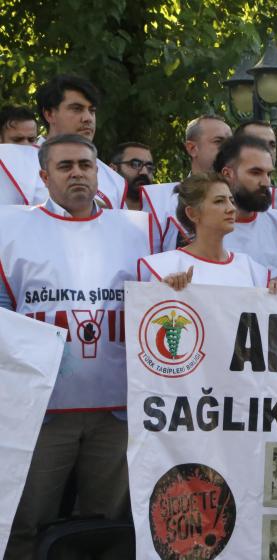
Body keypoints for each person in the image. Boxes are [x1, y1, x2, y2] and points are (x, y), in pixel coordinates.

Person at [0, 134, 155, 558]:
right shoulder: (10, 228)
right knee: (24, 522)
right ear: (44, 176)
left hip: (117, 409)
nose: (77, 174)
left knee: (106, 524)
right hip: (39, 412)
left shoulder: (139, 231)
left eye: (85, 165)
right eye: (65, 166)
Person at [136, 172, 277, 291]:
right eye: (219, 201)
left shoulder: (253, 270)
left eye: (231, 201)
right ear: (193, 213)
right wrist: (165, 291)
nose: (231, 208)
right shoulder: (163, 267)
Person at [0, 75, 126, 207]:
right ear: (49, 114)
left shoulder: (115, 180)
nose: (88, 118)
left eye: (92, 111)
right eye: (77, 109)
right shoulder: (11, 165)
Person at [141, 114, 232, 251]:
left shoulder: (244, 198)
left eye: (231, 143)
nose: (228, 149)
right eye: (218, 141)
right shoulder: (160, 200)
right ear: (192, 148)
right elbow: (149, 259)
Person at [212, 135, 277, 273]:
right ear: (227, 174)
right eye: (255, 173)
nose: (266, 182)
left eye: (268, 174)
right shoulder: (202, 226)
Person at [110, 141, 156, 210]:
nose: (144, 172)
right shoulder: (95, 208)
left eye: (149, 167)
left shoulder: (165, 212)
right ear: (113, 170)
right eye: (135, 164)